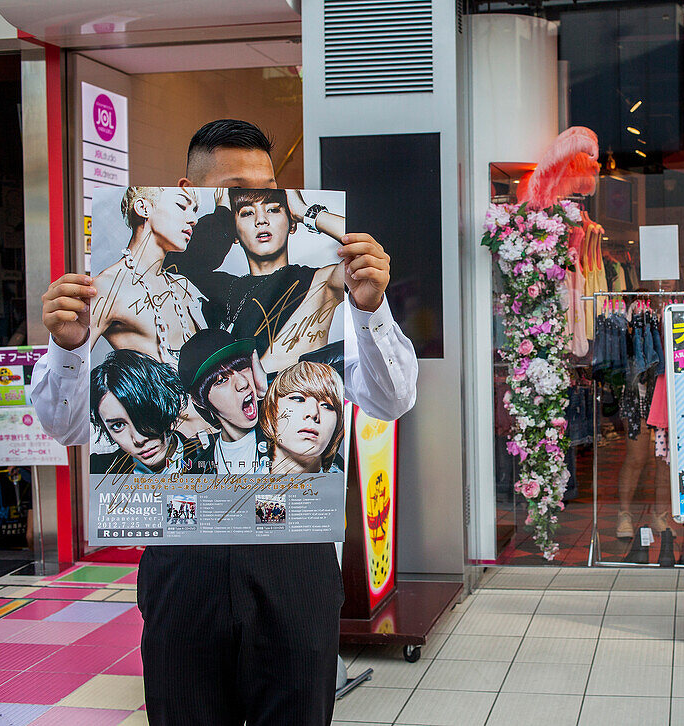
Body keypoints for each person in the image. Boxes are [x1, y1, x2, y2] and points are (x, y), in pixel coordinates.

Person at [34, 119, 417, 725]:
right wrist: (67, 349)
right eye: (240, 197)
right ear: (193, 191)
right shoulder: (148, 290)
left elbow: (392, 400)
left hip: (294, 547)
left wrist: (371, 310)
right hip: (185, 547)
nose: (261, 210)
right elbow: (70, 427)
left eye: (272, 193)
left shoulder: (325, 288)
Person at [167, 186, 348, 373]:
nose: (261, 220)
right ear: (234, 233)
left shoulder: (319, 281)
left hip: (299, 397)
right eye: (247, 213)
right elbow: (171, 267)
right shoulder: (224, 289)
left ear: (292, 223)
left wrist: (304, 212)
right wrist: (222, 216)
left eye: (273, 209)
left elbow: (369, 253)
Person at [89, 187, 207, 367]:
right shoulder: (107, 286)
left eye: (194, 210)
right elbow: (71, 371)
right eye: (182, 206)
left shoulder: (183, 287)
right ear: (143, 208)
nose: (193, 220)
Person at [89, 349, 212, 476]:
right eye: (118, 425)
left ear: (164, 404)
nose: (138, 439)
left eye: (142, 415)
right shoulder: (94, 470)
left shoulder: (215, 458)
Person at [178, 328, 271, 476]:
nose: (242, 383)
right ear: (200, 401)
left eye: (241, 367)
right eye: (222, 380)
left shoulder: (285, 424)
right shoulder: (199, 471)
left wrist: (268, 386)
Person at [259, 360, 345, 474]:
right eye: (298, 399)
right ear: (270, 411)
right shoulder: (239, 488)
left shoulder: (350, 488)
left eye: (327, 406)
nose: (313, 413)